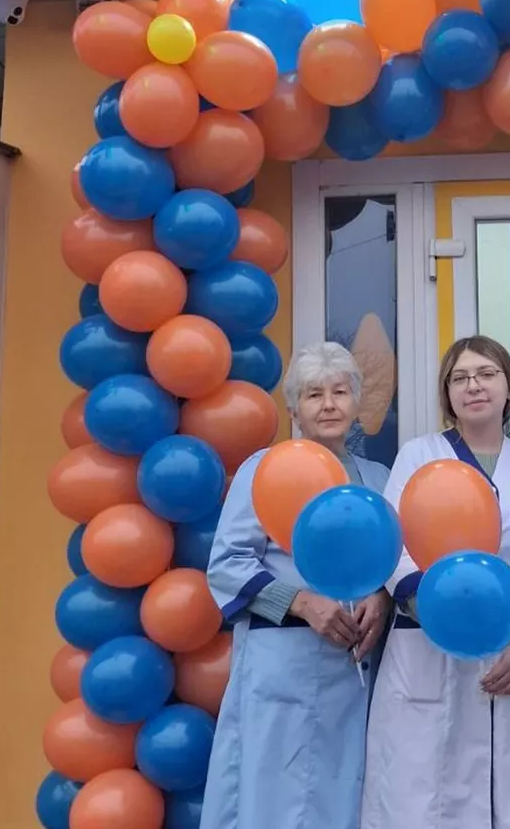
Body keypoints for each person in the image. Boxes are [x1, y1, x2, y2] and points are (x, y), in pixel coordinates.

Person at [362, 336, 510, 829]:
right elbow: (391, 546)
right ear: (447, 394)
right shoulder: (419, 456)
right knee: (419, 796)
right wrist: (435, 612)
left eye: (487, 374)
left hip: (509, 651)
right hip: (426, 646)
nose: (474, 386)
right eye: (460, 378)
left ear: (509, 388)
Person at [202, 342, 392, 829]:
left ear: (356, 403)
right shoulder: (265, 470)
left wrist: (382, 597)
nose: (328, 405)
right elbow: (227, 564)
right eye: (313, 395)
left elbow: (396, 560)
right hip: (281, 664)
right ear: (294, 410)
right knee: (273, 798)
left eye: (339, 392)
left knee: (342, 796)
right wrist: (302, 602)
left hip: (353, 671)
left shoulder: (379, 480)